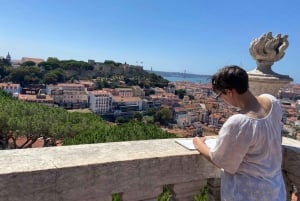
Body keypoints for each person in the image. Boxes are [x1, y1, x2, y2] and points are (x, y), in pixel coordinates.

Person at [193, 65, 286, 201]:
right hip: (275, 190)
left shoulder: (239, 122)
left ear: (229, 92)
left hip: (247, 193)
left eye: (220, 95)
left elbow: (220, 160)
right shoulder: (272, 102)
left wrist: (198, 143)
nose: (222, 100)